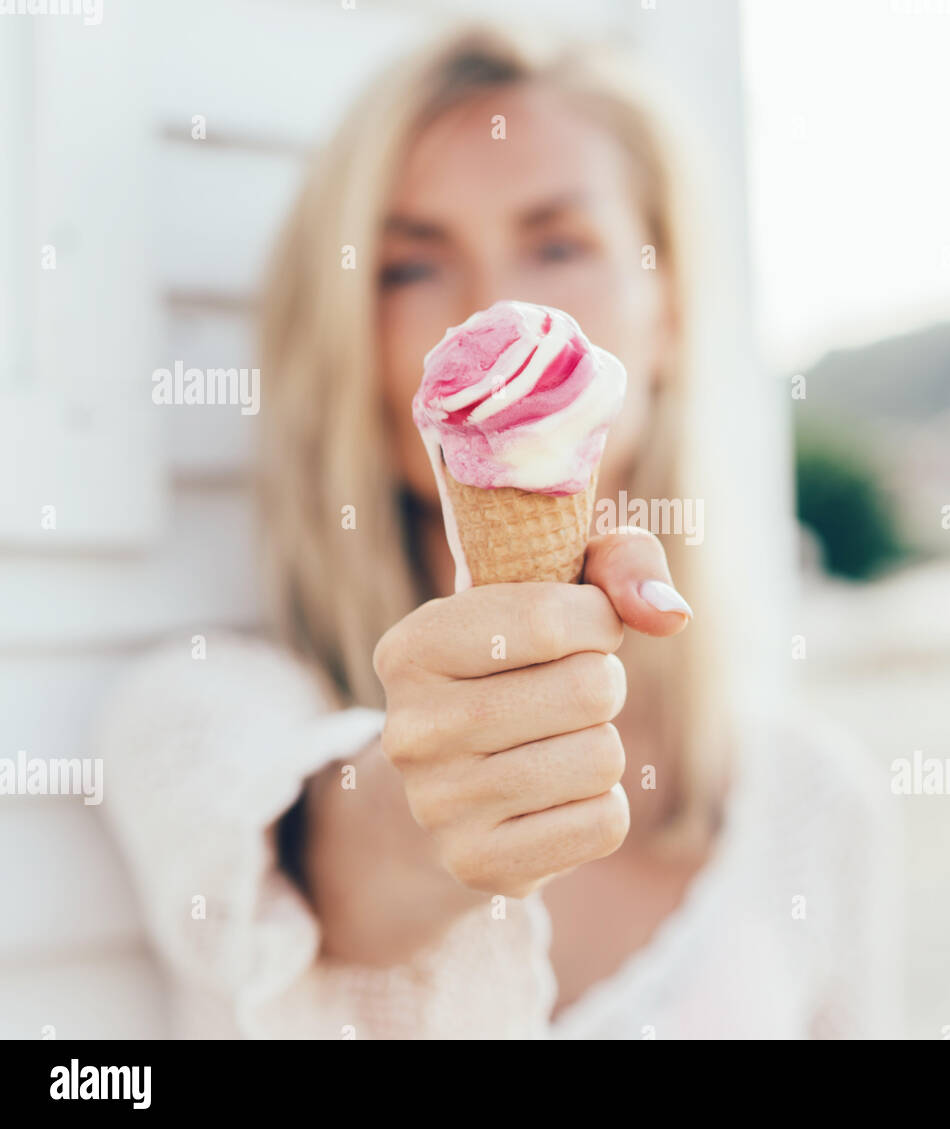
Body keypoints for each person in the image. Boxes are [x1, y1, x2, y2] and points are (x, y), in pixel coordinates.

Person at [98, 25, 899, 1039]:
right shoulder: (199, 719)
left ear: (671, 313)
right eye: (408, 266)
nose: (491, 311)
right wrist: (427, 810)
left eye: (559, 245)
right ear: (345, 327)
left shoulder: (814, 805)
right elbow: (332, 860)